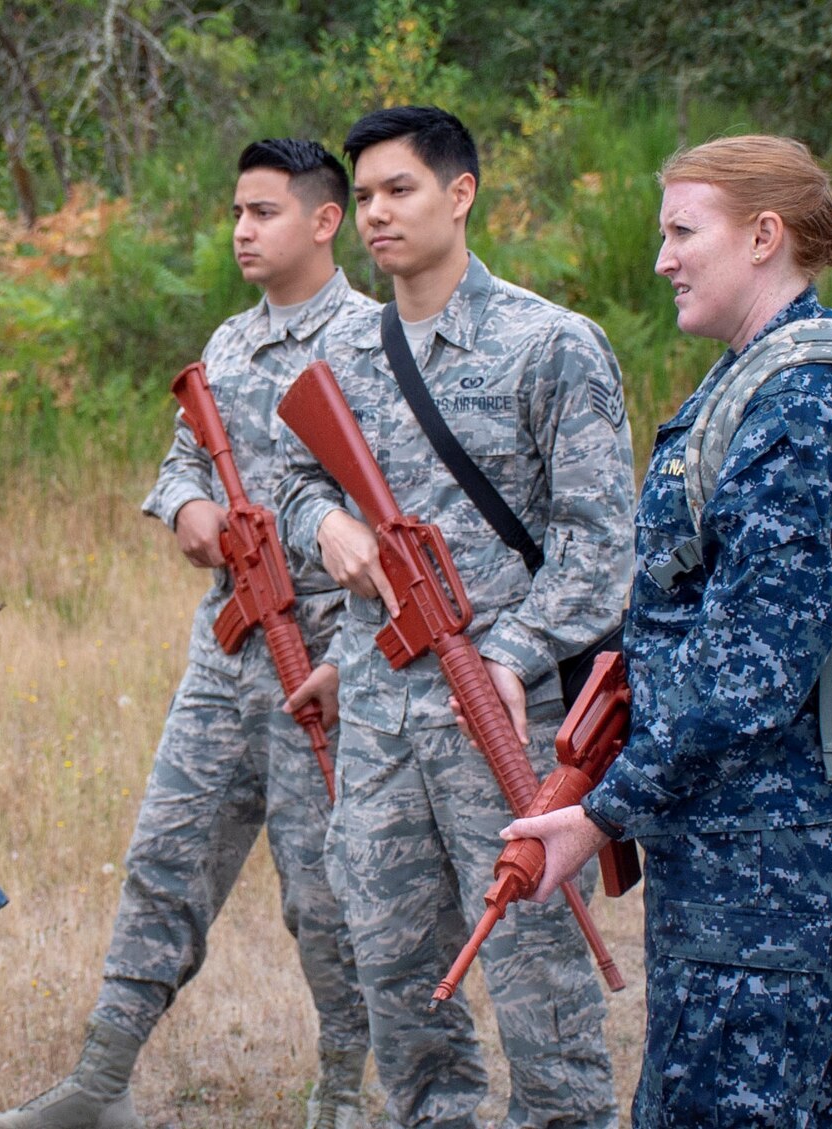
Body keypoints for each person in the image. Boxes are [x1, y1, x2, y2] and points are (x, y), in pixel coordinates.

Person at [0, 139, 374, 1129]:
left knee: (326, 895)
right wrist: (190, 513)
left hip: (325, 662)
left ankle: (343, 1093)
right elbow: (181, 462)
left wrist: (346, 653)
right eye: (236, 212)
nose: (242, 230)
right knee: (165, 857)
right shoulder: (230, 342)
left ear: (324, 221)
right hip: (226, 653)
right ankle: (99, 1084)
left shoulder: (374, 342)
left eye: (263, 212)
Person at [509, 135, 832, 1128]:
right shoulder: (756, 381)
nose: (661, 258)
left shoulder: (799, 400)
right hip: (739, 844)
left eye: (683, 231)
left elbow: (753, 664)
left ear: (763, 236)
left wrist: (604, 809)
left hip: (769, 855)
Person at [274, 106, 632, 1129]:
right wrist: (327, 530)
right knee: (390, 965)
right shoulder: (339, 346)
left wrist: (513, 653)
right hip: (380, 718)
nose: (377, 215)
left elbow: (601, 543)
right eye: (368, 196)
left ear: (459, 193)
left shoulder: (550, 344)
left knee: (537, 975)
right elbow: (294, 484)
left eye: (402, 190)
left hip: (501, 717)